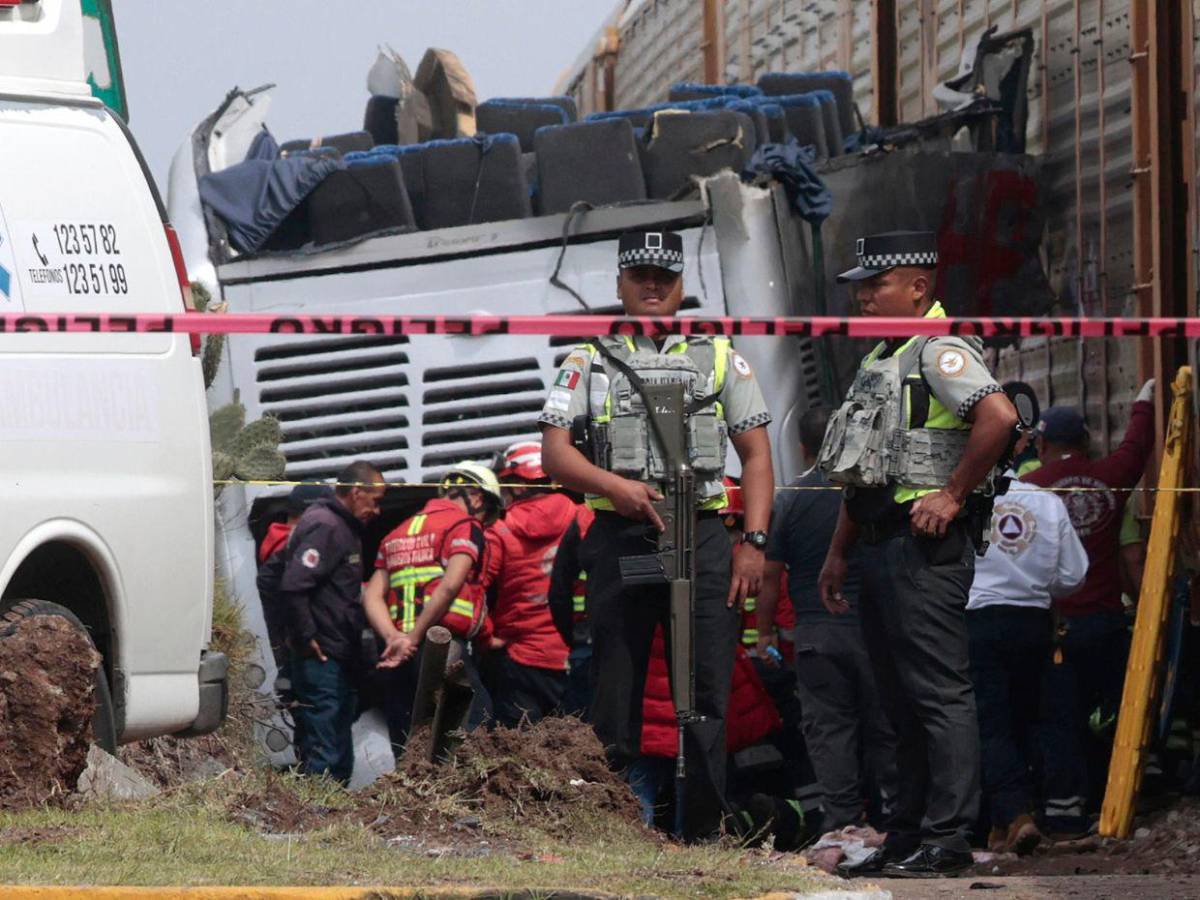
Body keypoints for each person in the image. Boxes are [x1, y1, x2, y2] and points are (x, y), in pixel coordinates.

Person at [540, 228, 775, 841]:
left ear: (682, 287)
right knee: (613, 694)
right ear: (619, 283)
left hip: (703, 537)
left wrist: (754, 542)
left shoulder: (721, 356)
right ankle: (609, 831)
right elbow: (555, 457)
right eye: (640, 276)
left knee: (705, 696)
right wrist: (613, 487)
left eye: (664, 278)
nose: (652, 287)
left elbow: (755, 456)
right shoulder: (585, 361)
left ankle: (702, 832)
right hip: (622, 539)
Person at [817, 231, 1019, 877]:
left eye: (876, 284)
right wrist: (837, 554)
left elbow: (1000, 417)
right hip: (879, 543)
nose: (864, 296)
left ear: (919, 288)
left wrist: (954, 494)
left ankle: (949, 837)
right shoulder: (886, 356)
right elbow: (864, 468)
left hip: (923, 545)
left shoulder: (940, 351)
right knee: (896, 701)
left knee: (937, 695)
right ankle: (905, 835)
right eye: (860, 286)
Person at [760, 406, 899, 835]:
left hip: (816, 635)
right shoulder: (870, 490)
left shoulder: (791, 498)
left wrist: (764, 632)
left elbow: (769, 575)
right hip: (872, 630)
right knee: (886, 727)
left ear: (802, 447)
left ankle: (843, 823)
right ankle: (896, 819)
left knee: (830, 730)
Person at [1021, 384, 1155, 807]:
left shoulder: (1028, 488)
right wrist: (1143, 405)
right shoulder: (1110, 477)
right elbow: (1136, 449)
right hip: (1107, 620)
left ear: (1041, 443)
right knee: (1117, 708)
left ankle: (1070, 802)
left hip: (1057, 628)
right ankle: (1127, 791)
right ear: (1086, 442)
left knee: (1063, 716)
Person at [966, 429, 1090, 854]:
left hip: (977, 623)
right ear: (1020, 450)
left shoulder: (960, 499)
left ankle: (1016, 814)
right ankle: (1011, 822)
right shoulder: (1046, 502)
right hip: (1033, 623)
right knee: (1027, 718)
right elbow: (1072, 576)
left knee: (990, 723)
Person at [363, 462, 500, 749]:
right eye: (487, 511)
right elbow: (450, 585)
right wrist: (414, 638)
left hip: (397, 654)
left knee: (410, 739)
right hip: (440, 646)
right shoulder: (463, 525)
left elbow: (371, 595)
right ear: (475, 497)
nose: (486, 520)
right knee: (477, 722)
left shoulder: (397, 532)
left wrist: (395, 639)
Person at [278, 460, 385, 784]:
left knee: (336, 737)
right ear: (356, 493)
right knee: (325, 747)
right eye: (375, 501)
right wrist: (307, 635)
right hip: (321, 655)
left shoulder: (341, 526)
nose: (377, 511)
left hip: (337, 653)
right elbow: (294, 584)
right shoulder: (326, 526)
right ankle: (318, 816)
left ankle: (332, 814)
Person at [482, 440, 575, 727]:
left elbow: (473, 589)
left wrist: (485, 636)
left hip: (519, 658)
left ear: (519, 486)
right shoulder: (578, 516)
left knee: (519, 753)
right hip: (572, 655)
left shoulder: (499, 529)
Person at [548, 501, 597, 718]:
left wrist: (572, 637)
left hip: (585, 641)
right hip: (644, 647)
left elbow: (559, 590)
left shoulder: (582, 518)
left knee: (580, 725)